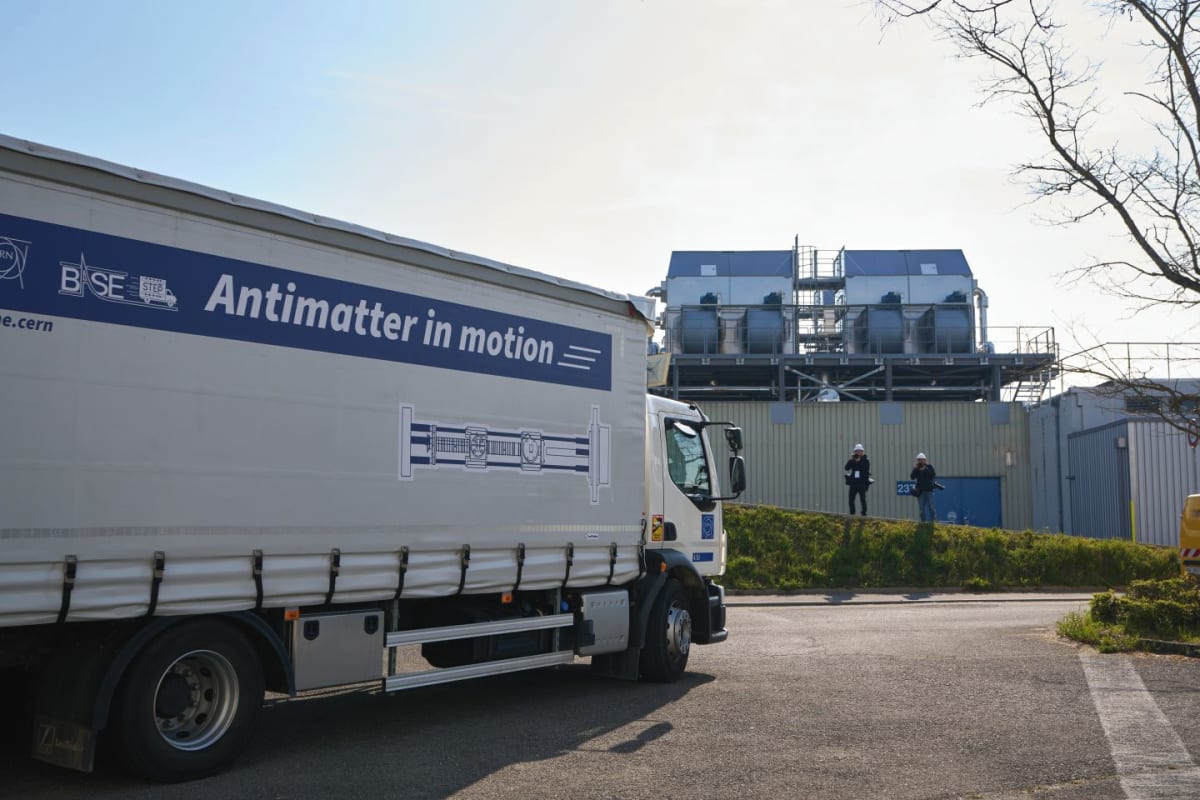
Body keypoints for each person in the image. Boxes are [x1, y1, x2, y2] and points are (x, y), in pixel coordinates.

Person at [844, 443, 872, 516]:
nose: (858, 453)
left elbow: (865, 470)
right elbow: (846, 468)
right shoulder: (853, 460)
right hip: (853, 482)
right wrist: (851, 460)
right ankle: (852, 513)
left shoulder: (866, 460)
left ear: (863, 452)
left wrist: (859, 461)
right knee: (851, 499)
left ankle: (863, 513)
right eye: (856, 451)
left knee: (862, 498)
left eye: (860, 451)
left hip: (862, 483)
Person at [910, 452, 937, 522]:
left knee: (931, 507)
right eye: (919, 460)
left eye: (922, 460)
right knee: (921, 509)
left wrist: (924, 469)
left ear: (925, 460)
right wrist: (916, 470)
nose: (920, 461)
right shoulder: (916, 468)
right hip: (920, 491)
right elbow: (912, 477)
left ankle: (933, 521)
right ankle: (923, 522)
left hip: (929, 490)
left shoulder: (929, 467)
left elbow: (932, 474)